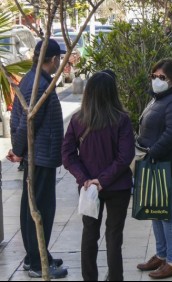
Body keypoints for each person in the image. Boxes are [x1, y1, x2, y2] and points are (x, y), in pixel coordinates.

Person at [61, 71, 135, 281]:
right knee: (114, 236)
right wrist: (101, 180)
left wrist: (84, 178)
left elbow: (67, 155)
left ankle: (89, 278)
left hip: (88, 189)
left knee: (89, 234)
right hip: (117, 187)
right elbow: (125, 156)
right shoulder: (121, 120)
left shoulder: (77, 120)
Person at [7, 39, 67, 279]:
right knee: (40, 210)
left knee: (31, 207)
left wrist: (19, 148)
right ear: (52, 60)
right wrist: (19, 150)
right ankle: (35, 262)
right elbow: (27, 124)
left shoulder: (32, 79)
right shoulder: (39, 85)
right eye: (58, 59)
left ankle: (36, 255)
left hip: (39, 155)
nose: (59, 63)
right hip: (40, 156)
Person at [135, 59, 172, 279]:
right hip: (153, 163)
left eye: (162, 78)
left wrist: (152, 153)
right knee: (155, 211)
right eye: (154, 76)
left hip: (164, 164)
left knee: (166, 213)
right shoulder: (159, 98)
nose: (156, 81)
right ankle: (161, 255)